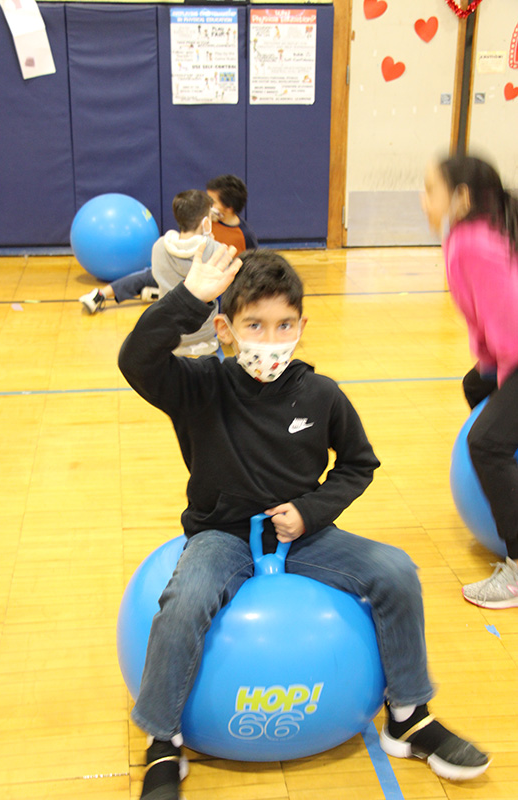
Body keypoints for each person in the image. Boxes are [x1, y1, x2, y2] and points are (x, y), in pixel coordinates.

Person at [118, 245, 489, 798]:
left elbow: (359, 464)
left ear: (302, 325)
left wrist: (310, 512)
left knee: (396, 570)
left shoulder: (321, 394)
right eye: (255, 325)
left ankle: (409, 716)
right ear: (225, 328)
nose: (270, 340)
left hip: (306, 536)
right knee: (185, 599)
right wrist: (188, 297)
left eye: (284, 324)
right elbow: (136, 360)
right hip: (221, 535)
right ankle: (162, 742)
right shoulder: (199, 387)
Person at [423, 154, 518, 608]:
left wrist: (502, 379)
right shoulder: (464, 237)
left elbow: (511, 329)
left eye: (429, 190)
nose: (422, 200)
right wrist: (490, 375)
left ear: (459, 199)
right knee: (476, 386)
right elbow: (484, 324)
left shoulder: (474, 243)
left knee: (486, 442)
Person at [80, 190, 223, 356]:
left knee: (148, 276)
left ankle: (105, 294)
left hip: (170, 336)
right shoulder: (216, 249)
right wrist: (212, 242)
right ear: (206, 222)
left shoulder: (159, 247)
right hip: (204, 337)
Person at [206, 173, 258, 253]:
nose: (207, 204)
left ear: (229, 208)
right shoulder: (203, 222)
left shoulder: (246, 236)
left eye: (212, 202)